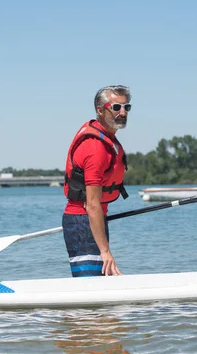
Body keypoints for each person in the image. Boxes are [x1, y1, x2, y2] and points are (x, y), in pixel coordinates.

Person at [62, 85, 131, 277]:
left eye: (126, 107)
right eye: (116, 107)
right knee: (91, 290)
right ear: (100, 110)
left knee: (101, 286)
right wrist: (105, 250)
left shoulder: (106, 138)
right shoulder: (95, 147)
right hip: (82, 223)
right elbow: (92, 204)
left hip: (91, 222)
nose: (123, 112)